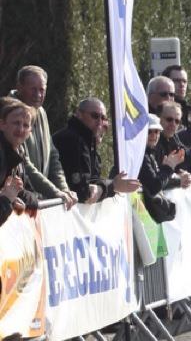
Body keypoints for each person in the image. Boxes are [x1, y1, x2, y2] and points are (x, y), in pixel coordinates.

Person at [11, 65, 76, 207]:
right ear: (19, 86)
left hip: (40, 202)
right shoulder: (9, 113)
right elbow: (23, 163)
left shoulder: (41, 112)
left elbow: (52, 156)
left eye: (42, 90)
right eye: (33, 89)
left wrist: (63, 189)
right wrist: (55, 192)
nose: (38, 95)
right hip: (20, 202)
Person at [53, 98, 140, 203]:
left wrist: (108, 186)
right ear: (79, 114)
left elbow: (93, 180)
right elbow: (82, 191)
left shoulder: (87, 141)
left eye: (103, 118)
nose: (100, 122)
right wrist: (113, 186)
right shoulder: (73, 140)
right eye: (95, 116)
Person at [0, 98, 42, 227]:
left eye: (26, 125)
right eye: (16, 123)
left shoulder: (19, 154)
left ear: (30, 132)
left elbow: (30, 194)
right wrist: (7, 199)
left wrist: (13, 197)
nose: (21, 129)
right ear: (2, 125)